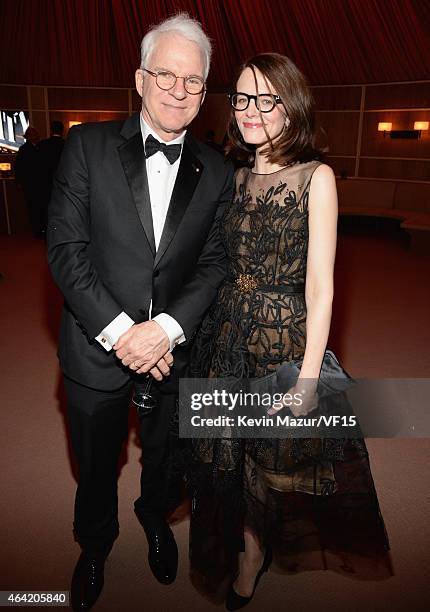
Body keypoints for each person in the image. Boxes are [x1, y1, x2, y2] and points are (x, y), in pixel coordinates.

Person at [188, 53, 392, 610]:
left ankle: (253, 554)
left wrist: (306, 380)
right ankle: (247, 543)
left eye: (266, 99)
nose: (251, 111)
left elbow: (322, 288)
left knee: (270, 461)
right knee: (227, 454)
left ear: (290, 104)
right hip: (226, 335)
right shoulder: (233, 176)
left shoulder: (316, 177)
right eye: (242, 98)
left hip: (282, 344)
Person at [47, 13, 233, 611]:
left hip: (175, 353)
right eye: (166, 75)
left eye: (194, 81)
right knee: (96, 461)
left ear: (205, 90)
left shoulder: (219, 171)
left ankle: (155, 518)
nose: (179, 91)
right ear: (139, 78)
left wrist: (167, 331)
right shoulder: (86, 146)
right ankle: (96, 542)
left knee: (166, 457)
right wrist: (127, 334)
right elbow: (66, 252)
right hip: (95, 346)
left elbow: (213, 264)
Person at [14, 126, 43, 237]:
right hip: (30, 184)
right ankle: (37, 230)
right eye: (32, 134)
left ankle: (43, 229)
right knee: (33, 207)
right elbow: (19, 167)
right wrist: (19, 182)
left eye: (35, 134)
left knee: (42, 206)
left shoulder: (42, 147)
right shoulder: (24, 149)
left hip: (41, 184)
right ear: (28, 137)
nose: (34, 136)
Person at [38, 120, 65, 236]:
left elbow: (37, 165)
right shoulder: (67, 144)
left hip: (45, 182)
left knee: (46, 206)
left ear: (51, 130)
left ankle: (46, 231)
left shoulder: (43, 145)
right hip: (63, 183)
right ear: (62, 131)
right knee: (62, 207)